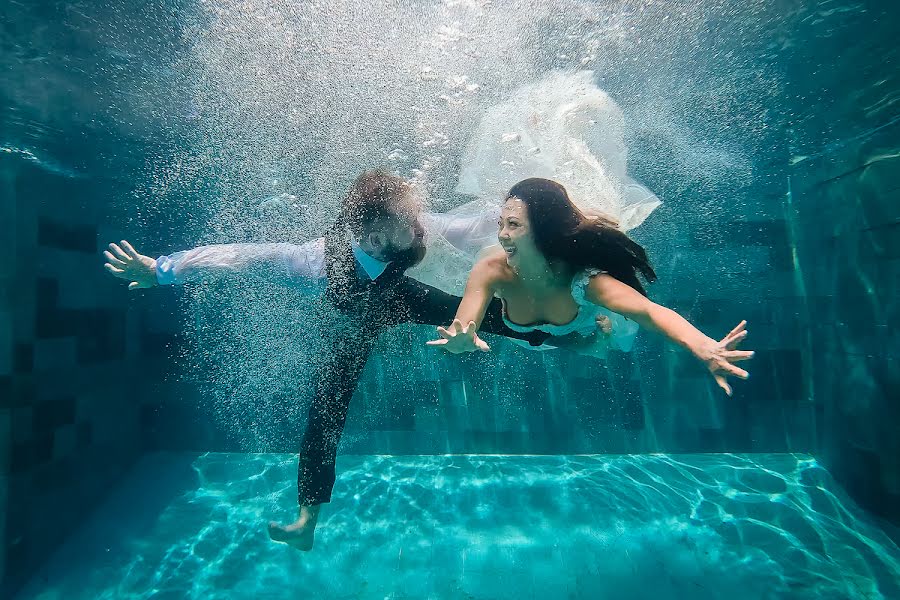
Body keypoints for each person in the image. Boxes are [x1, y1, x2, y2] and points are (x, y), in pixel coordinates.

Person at [104, 171, 567, 551]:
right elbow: (241, 257)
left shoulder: (408, 229)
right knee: (326, 415)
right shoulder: (313, 263)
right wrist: (164, 269)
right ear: (373, 235)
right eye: (405, 222)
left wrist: (531, 223)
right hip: (349, 328)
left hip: (398, 298)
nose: (417, 227)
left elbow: (469, 227)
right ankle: (307, 521)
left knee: (472, 312)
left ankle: (563, 337)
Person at [428, 178, 754, 396]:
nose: (501, 235)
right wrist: (460, 343)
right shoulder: (491, 269)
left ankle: (601, 332)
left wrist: (702, 345)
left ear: (542, 231)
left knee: (603, 340)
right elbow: (463, 326)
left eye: (513, 225)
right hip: (530, 338)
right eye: (501, 224)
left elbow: (648, 311)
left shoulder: (584, 280)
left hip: (585, 335)